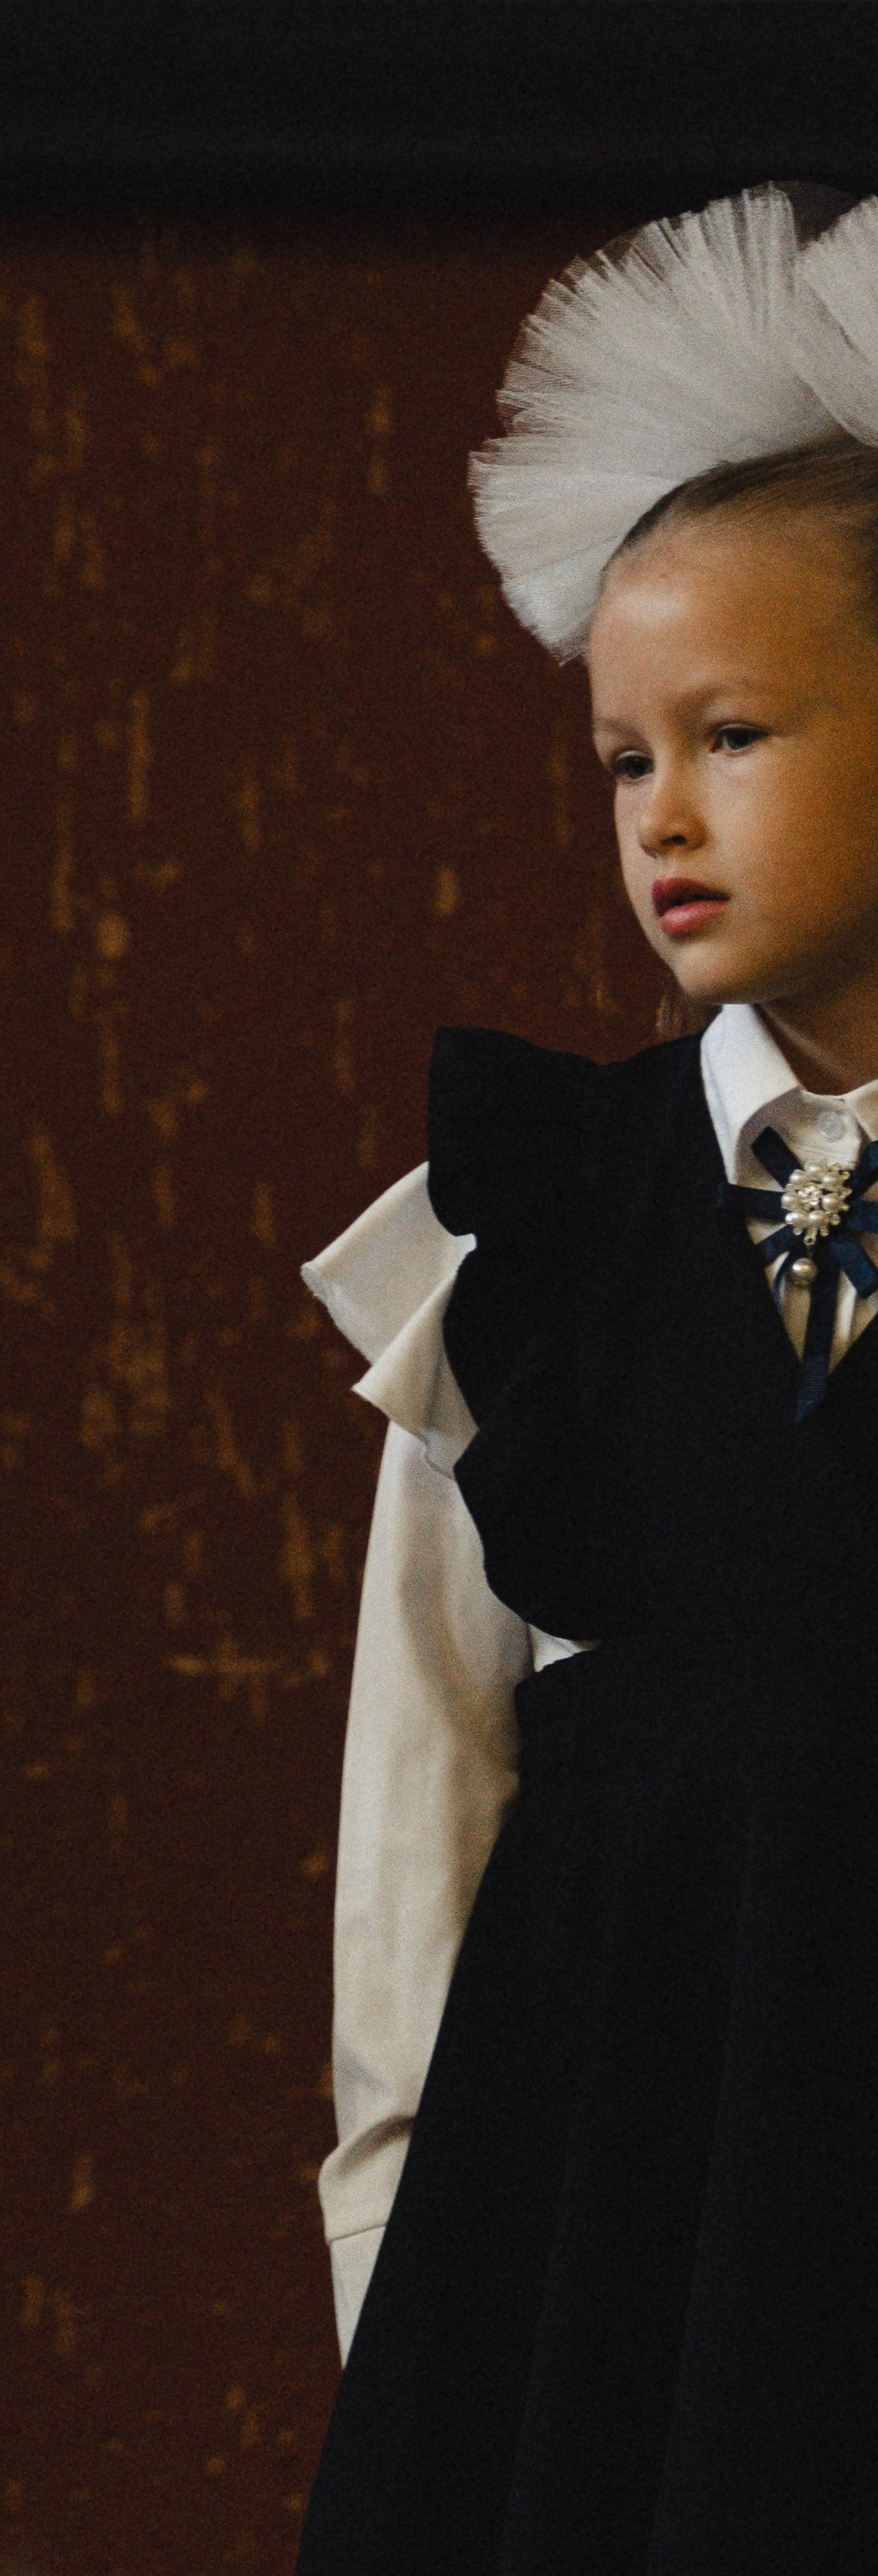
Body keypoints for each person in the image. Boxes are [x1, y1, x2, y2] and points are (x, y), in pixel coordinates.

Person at [295, 187, 878, 2574]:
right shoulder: (535, 1224)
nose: (661, 810)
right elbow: (423, 1774)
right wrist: (401, 2243)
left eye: (732, 734)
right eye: (623, 754)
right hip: (608, 2218)